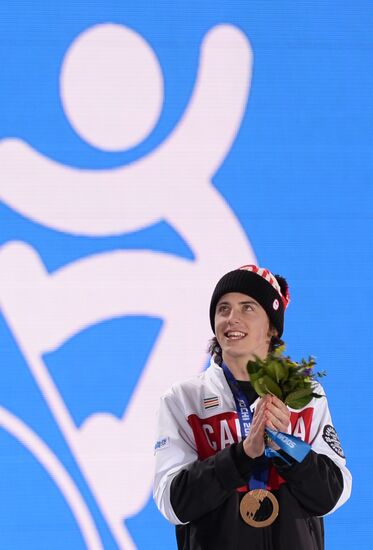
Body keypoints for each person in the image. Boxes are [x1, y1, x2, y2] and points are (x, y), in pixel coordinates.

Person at [153, 264, 352, 550]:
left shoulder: (304, 395)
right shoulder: (183, 400)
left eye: (247, 308)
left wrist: (287, 448)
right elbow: (173, 504)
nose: (231, 319)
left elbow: (332, 495)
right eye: (223, 309)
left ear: (272, 327)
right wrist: (242, 455)